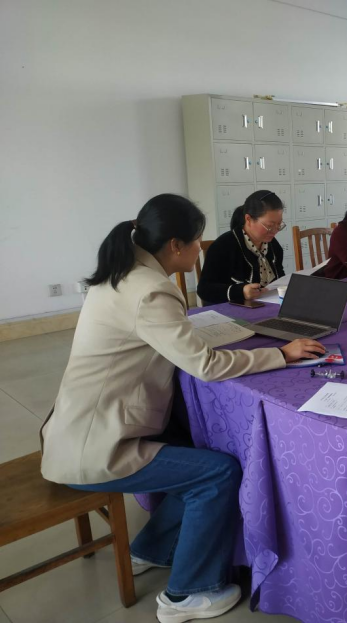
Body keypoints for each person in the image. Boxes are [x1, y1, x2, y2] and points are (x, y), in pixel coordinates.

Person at [40, 194, 325, 623]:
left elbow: (168, 341)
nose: (198, 250)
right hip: (94, 447)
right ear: (175, 245)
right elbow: (205, 366)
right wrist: (280, 355)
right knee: (218, 473)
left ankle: (152, 549)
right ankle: (186, 594)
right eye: (195, 242)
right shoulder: (152, 290)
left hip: (77, 428)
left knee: (190, 451)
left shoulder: (122, 272)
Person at [198, 190, 286, 305]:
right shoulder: (224, 246)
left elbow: (279, 276)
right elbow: (204, 289)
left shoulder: (273, 245)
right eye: (269, 225)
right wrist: (240, 291)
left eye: (279, 224)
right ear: (248, 219)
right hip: (232, 309)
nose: (275, 231)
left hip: (264, 305)